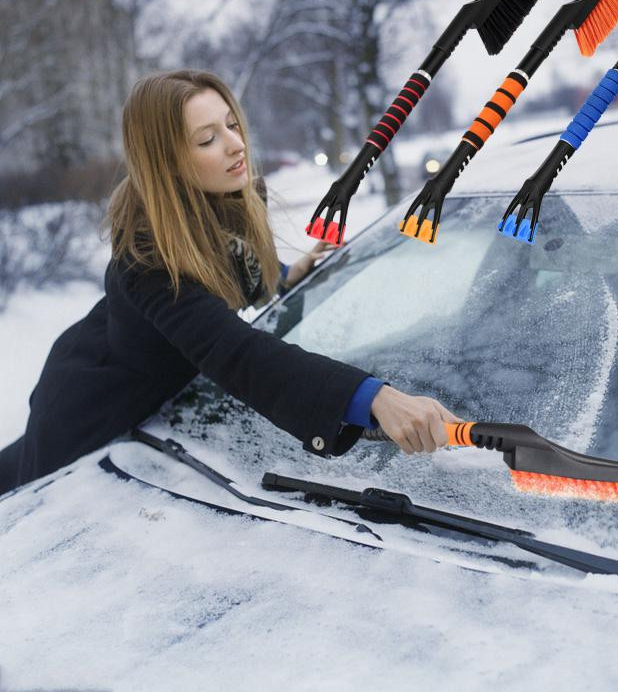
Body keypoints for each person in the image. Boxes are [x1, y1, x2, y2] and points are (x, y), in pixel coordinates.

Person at [0, 69, 460, 496]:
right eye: (207, 139)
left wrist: (284, 276)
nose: (235, 145)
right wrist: (372, 397)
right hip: (91, 407)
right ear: (167, 163)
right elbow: (237, 353)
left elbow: (227, 269)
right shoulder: (147, 259)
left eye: (231, 125)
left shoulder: (222, 203)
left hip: (149, 389)